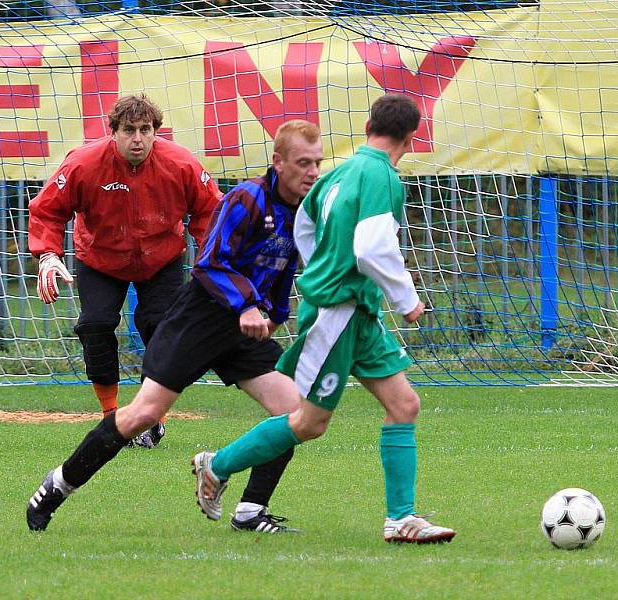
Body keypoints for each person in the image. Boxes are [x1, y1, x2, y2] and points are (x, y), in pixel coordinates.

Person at [26, 119, 324, 532]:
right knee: (143, 415)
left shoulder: (305, 210)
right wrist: (247, 306)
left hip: (242, 324)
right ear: (278, 162)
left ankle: (249, 509)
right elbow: (211, 263)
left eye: (317, 163)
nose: (312, 172)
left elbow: (284, 265)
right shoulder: (247, 198)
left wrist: (274, 313)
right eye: (303, 163)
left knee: (295, 414)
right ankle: (57, 486)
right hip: (199, 320)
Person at [191, 94, 457, 543]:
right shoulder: (381, 177)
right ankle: (216, 465)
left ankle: (401, 518)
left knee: (404, 405)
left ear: (370, 124)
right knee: (308, 422)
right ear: (413, 137)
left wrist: (319, 267)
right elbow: (372, 247)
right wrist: (406, 299)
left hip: (357, 312)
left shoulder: (340, 173)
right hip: (337, 314)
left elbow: (305, 224)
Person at [28, 93, 222, 448]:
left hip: (161, 257)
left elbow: (211, 212)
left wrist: (212, 263)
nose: (137, 138)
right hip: (100, 258)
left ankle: (152, 418)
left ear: (155, 131)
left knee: (160, 328)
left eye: (145, 129)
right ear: (112, 132)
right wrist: (47, 255)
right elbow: (47, 210)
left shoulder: (181, 164)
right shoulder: (84, 164)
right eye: (129, 130)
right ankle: (111, 417)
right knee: (96, 324)